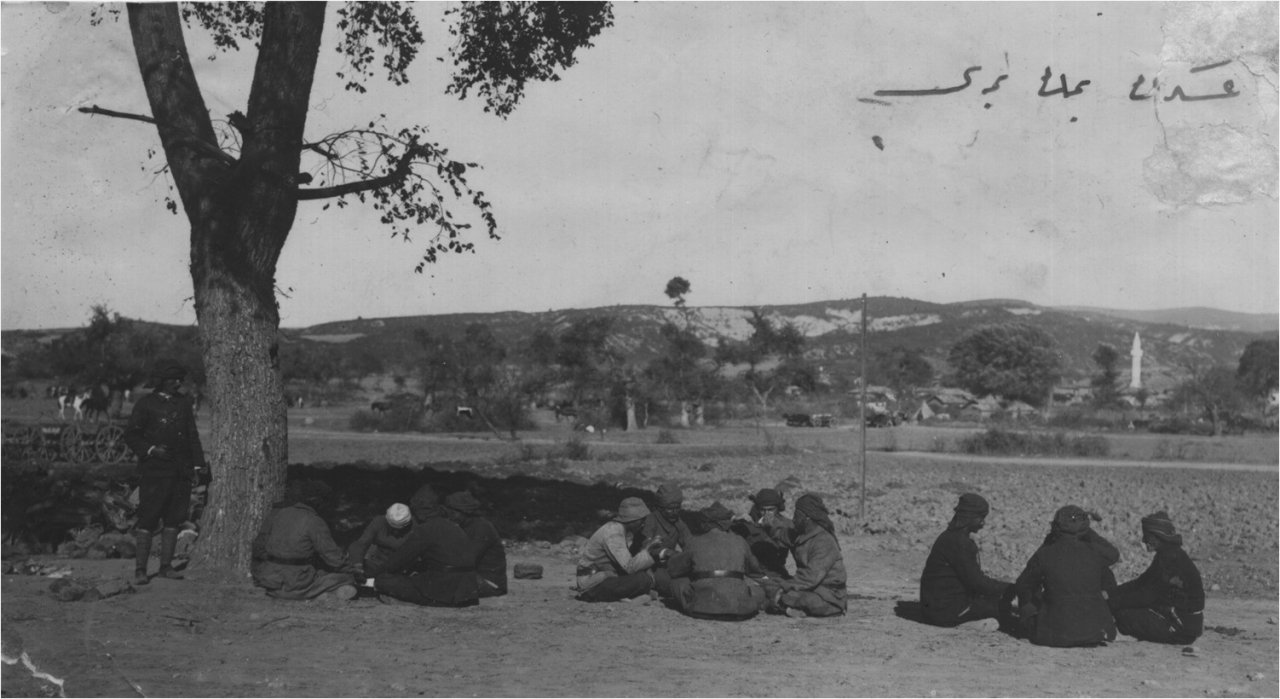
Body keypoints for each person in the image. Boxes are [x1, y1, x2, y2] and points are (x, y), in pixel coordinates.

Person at [122, 359, 208, 586]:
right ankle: (141, 570)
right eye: (174, 380)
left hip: (181, 471)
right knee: (148, 519)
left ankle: (166, 567)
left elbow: (192, 436)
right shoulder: (146, 404)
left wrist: (198, 465)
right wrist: (151, 450)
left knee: (174, 519)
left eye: (180, 379)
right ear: (162, 382)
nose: (179, 383)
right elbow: (131, 435)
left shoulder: (184, 403)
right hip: (154, 472)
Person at [1014, 505, 1119, 647]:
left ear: (1055, 527)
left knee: (1032, 592)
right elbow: (1114, 554)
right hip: (1095, 633)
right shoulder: (1095, 552)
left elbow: (1023, 584)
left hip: (1054, 635)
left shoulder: (1045, 554)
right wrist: (1086, 531)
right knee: (1103, 572)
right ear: (1085, 528)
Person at [366, 485, 480, 607]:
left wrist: (371, 574)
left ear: (419, 513)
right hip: (467, 591)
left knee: (383, 581)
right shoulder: (453, 526)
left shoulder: (425, 529)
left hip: (444, 592)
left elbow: (396, 562)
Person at [919, 493, 1015, 629]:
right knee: (1001, 608)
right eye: (981, 518)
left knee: (995, 600)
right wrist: (1011, 588)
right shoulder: (960, 543)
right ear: (969, 518)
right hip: (943, 612)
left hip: (933, 608)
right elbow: (978, 583)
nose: (983, 523)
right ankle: (964, 623)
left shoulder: (949, 537)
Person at [250, 480, 357, 601]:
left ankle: (314, 594)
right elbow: (333, 558)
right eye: (326, 502)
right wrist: (352, 570)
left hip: (269, 579)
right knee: (347, 577)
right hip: (295, 582)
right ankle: (314, 594)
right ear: (318, 502)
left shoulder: (280, 513)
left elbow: (259, 545)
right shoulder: (314, 521)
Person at [1109, 511, 1205, 644]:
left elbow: (1147, 595)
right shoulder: (1168, 554)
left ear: (1159, 536)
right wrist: (1110, 593)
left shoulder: (1171, 559)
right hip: (1183, 623)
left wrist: (1111, 603)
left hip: (1182, 629)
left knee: (1123, 616)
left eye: (1147, 536)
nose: (1143, 540)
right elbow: (1141, 582)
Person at [665, 502, 768, 621]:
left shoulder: (695, 542)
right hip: (740, 610)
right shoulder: (739, 541)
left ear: (706, 523)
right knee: (757, 590)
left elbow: (673, 570)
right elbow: (754, 570)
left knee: (677, 582)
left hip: (701, 609)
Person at [765, 493, 847, 618]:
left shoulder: (823, 541)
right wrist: (769, 526)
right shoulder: (801, 534)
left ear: (807, 518)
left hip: (829, 595)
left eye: (797, 515)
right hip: (811, 588)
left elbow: (810, 577)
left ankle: (830, 610)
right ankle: (791, 608)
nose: (793, 519)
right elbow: (782, 535)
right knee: (771, 589)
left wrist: (784, 587)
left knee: (790, 596)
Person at [575, 497, 660, 602]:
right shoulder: (613, 533)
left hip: (602, 577)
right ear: (632, 520)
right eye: (641, 520)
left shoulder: (618, 529)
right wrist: (647, 550)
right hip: (591, 586)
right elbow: (629, 567)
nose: (643, 524)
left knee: (642, 576)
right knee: (643, 580)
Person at [444, 491, 508, 598]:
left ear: (465, 512)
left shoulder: (481, 527)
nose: (450, 516)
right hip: (476, 577)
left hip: (489, 583)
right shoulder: (465, 526)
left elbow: (467, 559)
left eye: (453, 513)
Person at [638, 483, 694, 596]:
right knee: (674, 585)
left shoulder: (678, 522)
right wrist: (665, 552)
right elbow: (645, 545)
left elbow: (689, 542)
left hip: (670, 565)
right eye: (670, 509)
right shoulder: (651, 520)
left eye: (677, 508)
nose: (674, 512)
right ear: (659, 508)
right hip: (651, 566)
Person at [729, 488, 794, 581]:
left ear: (778, 509)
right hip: (752, 575)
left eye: (771, 510)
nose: (766, 514)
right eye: (763, 510)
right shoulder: (748, 523)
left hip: (776, 573)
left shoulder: (787, 525)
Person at [346, 503, 414, 579]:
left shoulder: (416, 529)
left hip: (401, 568)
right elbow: (361, 544)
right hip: (376, 562)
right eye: (392, 527)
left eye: (399, 529)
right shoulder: (379, 521)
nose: (395, 532)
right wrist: (358, 566)